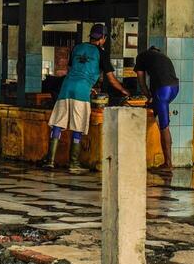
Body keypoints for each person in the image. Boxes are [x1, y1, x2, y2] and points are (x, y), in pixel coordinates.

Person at [45, 24, 130, 173]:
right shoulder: (101, 53)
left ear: (91, 36)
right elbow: (111, 79)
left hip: (66, 87)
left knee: (58, 123)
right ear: (103, 39)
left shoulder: (77, 48)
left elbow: (72, 70)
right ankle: (73, 163)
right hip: (81, 92)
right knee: (78, 126)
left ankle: (50, 161)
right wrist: (125, 91)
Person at [134, 45, 180, 171]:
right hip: (175, 88)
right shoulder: (164, 57)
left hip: (163, 90)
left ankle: (168, 163)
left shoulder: (142, 56)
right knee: (158, 114)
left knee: (164, 127)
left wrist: (147, 94)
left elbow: (141, 79)